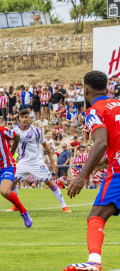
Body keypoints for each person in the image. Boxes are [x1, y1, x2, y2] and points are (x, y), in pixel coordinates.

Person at [64, 71, 120, 271]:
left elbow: (101, 142)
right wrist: (105, 161)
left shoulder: (95, 110)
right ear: (107, 89)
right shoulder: (118, 104)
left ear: (85, 91)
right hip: (115, 162)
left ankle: (94, 261)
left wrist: (81, 177)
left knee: (96, 215)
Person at [7, 109, 71, 213]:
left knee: (49, 182)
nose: (24, 119)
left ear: (29, 118)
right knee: (11, 183)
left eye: (26, 117)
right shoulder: (15, 131)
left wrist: (52, 161)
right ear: (19, 118)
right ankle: (15, 205)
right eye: (22, 117)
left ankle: (64, 206)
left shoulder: (36, 131)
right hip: (23, 162)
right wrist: (10, 158)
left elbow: (45, 145)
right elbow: (13, 146)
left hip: (37, 162)